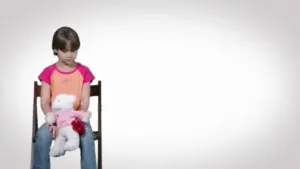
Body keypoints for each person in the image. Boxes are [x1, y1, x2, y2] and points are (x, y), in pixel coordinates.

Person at [32, 26, 97, 169]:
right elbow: (45, 101)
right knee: (42, 136)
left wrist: (74, 119)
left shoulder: (84, 71)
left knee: (87, 137)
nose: (70, 54)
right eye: (65, 50)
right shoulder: (48, 72)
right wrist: (53, 120)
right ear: (55, 50)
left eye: (73, 50)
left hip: (76, 118)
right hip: (55, 119)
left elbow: (85, 102)